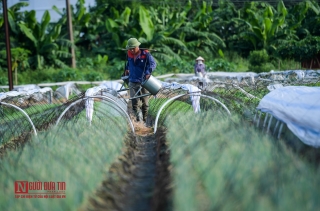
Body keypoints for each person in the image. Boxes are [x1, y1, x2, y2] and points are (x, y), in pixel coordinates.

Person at [125, 38, 157, 122]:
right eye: (130, 48)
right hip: (132, 81)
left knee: (145, 104)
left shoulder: (146, 54)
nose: (132, 50)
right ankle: (138, 121)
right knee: (134, 103)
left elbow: (153, 64)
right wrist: (127, 69)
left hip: (143, 82)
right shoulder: (129, 54)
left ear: (138, 46)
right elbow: (128, 64)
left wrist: (148, 72)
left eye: (133, 48)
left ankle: (145, 119)